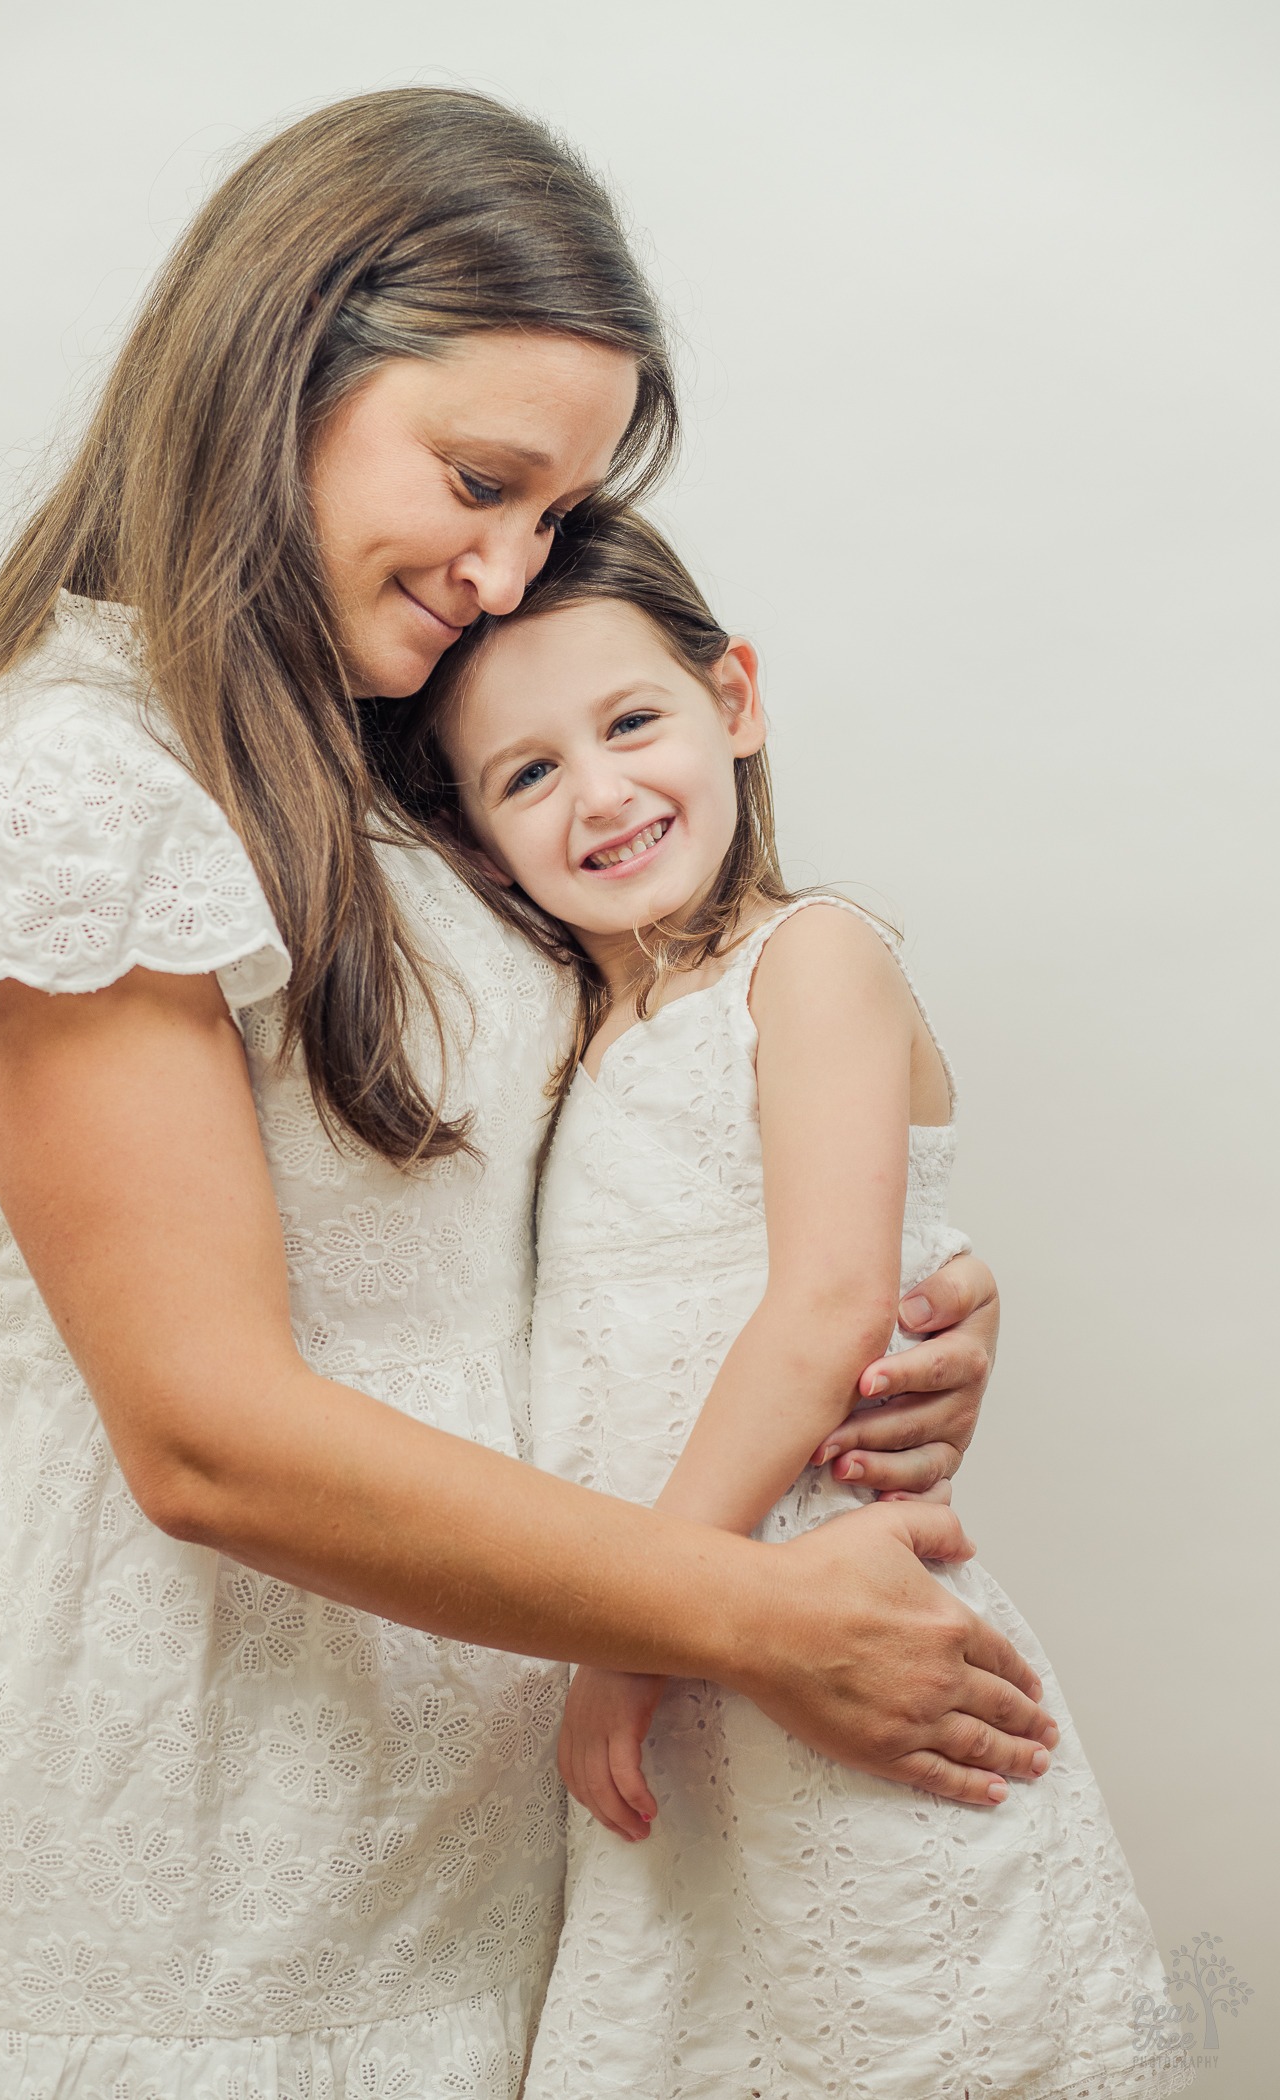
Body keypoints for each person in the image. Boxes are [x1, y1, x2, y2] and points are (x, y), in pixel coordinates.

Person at [0, 91, 1047, 2098]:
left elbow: (567, 1172)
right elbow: (206, 1439)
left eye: (546, 517)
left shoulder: (374, 772)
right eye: (483, 480)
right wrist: (752, 1619)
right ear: (281, 363)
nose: (510, 576)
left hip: (475, 1810)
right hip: (199, 1822)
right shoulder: (81, 785)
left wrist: (883, 1294)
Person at [401, 508, 1189, 2100]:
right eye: (530, 772)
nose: (603, 791)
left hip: (815, 1629)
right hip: (689, 1693)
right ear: (483, 842)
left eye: (633, 722)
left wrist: (632, 1636)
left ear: (735, 702)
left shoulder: (810, 960)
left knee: (902, 2020)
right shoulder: (572, 1045)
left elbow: (830, 1306)